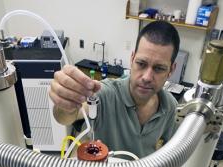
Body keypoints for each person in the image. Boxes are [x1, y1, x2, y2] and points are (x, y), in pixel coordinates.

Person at [49, 21, 180, 158]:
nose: (147, 77)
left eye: (159, 68)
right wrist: (66, 103)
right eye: (141, 64)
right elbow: (63, 117)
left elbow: (170, 152)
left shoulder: (170, 106)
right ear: (132, 58)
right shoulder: (107, 94)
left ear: (171, 69)